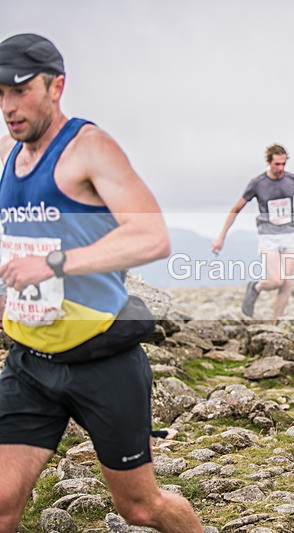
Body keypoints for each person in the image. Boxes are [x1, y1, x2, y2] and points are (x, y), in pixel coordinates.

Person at [0, 34, 203, 532]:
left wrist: (54, 263)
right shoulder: (8, 150)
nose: (9, 105)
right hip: (28, 362)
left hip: (102, 362)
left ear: (56, 86)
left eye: (20, 90)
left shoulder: (88, 148)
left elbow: (152, 236)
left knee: (139, 507)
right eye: (0, 92)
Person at [212, 144, 294, 320]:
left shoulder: (292, 180)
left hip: (289, 234)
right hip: (268, 236)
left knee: (287, 282)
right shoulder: (257, 183)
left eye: (284, 164)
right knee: (276, 280)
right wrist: (221, 236)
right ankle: (255, 287)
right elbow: (236, 208)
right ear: (269, 162)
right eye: (277, 164)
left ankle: (275, 323)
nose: (281, 168)